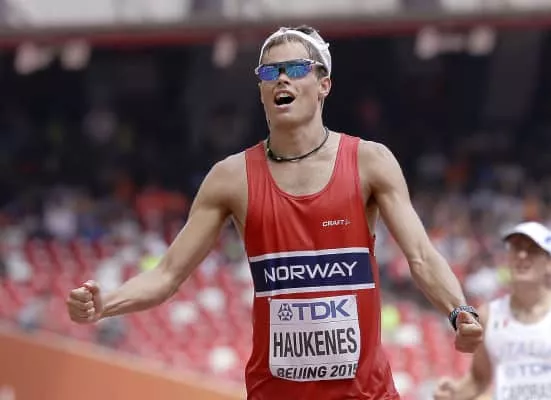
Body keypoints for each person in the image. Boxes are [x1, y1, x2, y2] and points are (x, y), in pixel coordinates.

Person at [67, 25, 483, 399]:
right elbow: (167, 274)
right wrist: (106, 303)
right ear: (262, 90)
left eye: (296, 69)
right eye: (270, 72)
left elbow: (421, 256)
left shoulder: (369, 162)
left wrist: (459, 311)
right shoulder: (231, 178)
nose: (281, 78)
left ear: (324, 84)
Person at [433, 221, 551, 400]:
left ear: (548, 262)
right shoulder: (489, 315)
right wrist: (454, 393)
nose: (522, 255)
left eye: (532, 250)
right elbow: (479, 378)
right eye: (516, 248)